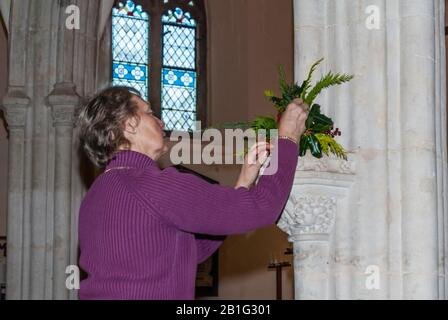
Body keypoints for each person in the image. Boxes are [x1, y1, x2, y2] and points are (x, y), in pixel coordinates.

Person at [76, 86, 309, 300]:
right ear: (128, 124)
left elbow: (182, 254)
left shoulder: (95, 196)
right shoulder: (154, 184)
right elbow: (263, 207)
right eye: (149, 112)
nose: (160, 120)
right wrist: (288, 138)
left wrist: (242, 184)